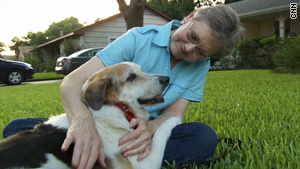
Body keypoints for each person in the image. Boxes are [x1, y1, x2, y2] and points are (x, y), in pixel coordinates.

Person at [3, 4, 244, 169]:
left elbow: (174, 115)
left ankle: (98, 156)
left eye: (201, 51)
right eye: (192, 37)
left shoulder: (199, 66)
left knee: (203, 138)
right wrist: (83, 123)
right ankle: (98, 150)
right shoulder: (137, 39)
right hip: (105, 122)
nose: (189, 49)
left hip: (147, 133)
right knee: (18, 127)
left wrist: (150, 128)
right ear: (190, 17)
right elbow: (72, 82)